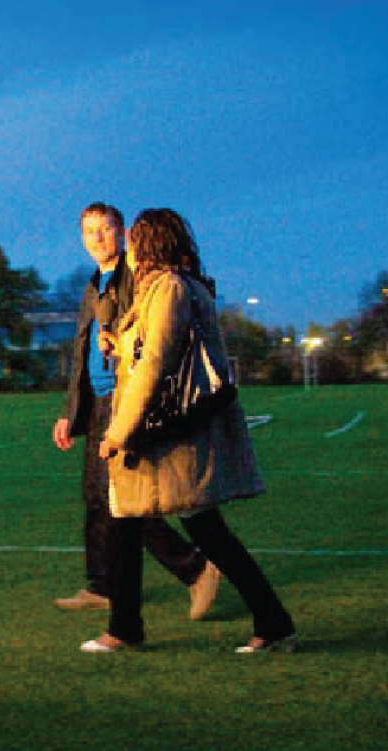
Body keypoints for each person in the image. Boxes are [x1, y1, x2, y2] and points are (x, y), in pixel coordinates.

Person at [87, 207, 297, 654]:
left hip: (169, 436)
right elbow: (149, 348)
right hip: (170, 433)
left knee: (203, 529)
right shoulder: (173, 286)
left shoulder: (169, 288)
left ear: (150, 244)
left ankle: (272, 623)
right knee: (133, 520)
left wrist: (118, 432)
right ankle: (124, 628)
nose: (128, 249)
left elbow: (156, 363)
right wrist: (118, 343)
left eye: (135, 241)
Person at [51, 202, 220, 618]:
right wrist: (69, 414)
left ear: (123, 232)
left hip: (127, 399)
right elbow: (82, 354)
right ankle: (103, 585)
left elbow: (150, 339)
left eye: (105, 230)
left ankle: (195, 566)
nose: (97, 239)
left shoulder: (139, 276)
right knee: (95, 497)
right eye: (88, 231)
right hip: (98, 402)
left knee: (125, 501)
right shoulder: (94, 285)